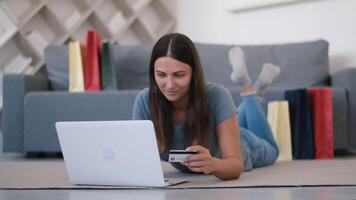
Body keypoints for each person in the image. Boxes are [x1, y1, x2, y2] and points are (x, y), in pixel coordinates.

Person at [132, 33, 280, 180]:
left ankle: (247, 86)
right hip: (223, 129)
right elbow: (138, 160)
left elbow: (235, 165)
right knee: (232, 117)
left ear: (194, 74)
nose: (169, 85)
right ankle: (258, 89)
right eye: (161, 75)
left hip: (245, 145)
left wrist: (213, 164)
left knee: (273, 150)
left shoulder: (217, 95)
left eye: (179, 75)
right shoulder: (145, 101)